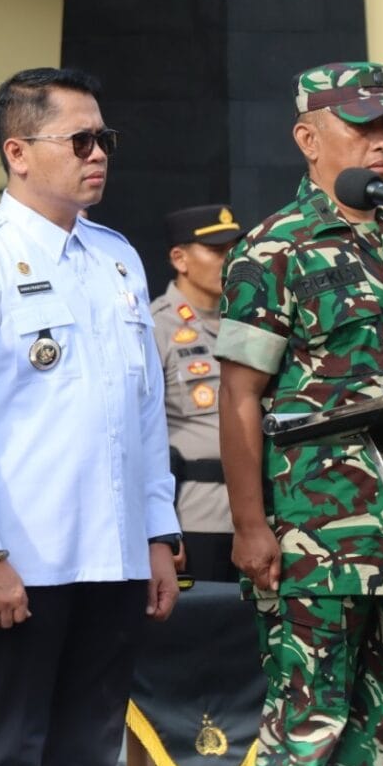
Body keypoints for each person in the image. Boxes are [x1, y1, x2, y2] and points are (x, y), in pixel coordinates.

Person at [0, 66, 181, 766]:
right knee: (12, 752)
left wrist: (158, 532)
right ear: (19, 152)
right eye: (80, 139)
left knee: (89, 756)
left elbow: (144, 410)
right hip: (22, 556)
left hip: (115, 554)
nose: (99, 154)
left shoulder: (117, 257)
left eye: (106, 138)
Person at [215, 62, 383, 766]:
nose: (382, 142)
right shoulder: (274, 249)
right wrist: (250, 524)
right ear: (308, 137)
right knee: (308, 730)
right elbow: (240, 395)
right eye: (362, 126)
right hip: (314, 535)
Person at [151, 204, 245, 583]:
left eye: (234, 249)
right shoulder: (155, 325)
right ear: (180, 258)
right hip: (192, 515)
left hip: (252, 517)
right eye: (217, 251)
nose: (230, 260)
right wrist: (160, 531)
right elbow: (142, 432)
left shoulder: (248, 321)